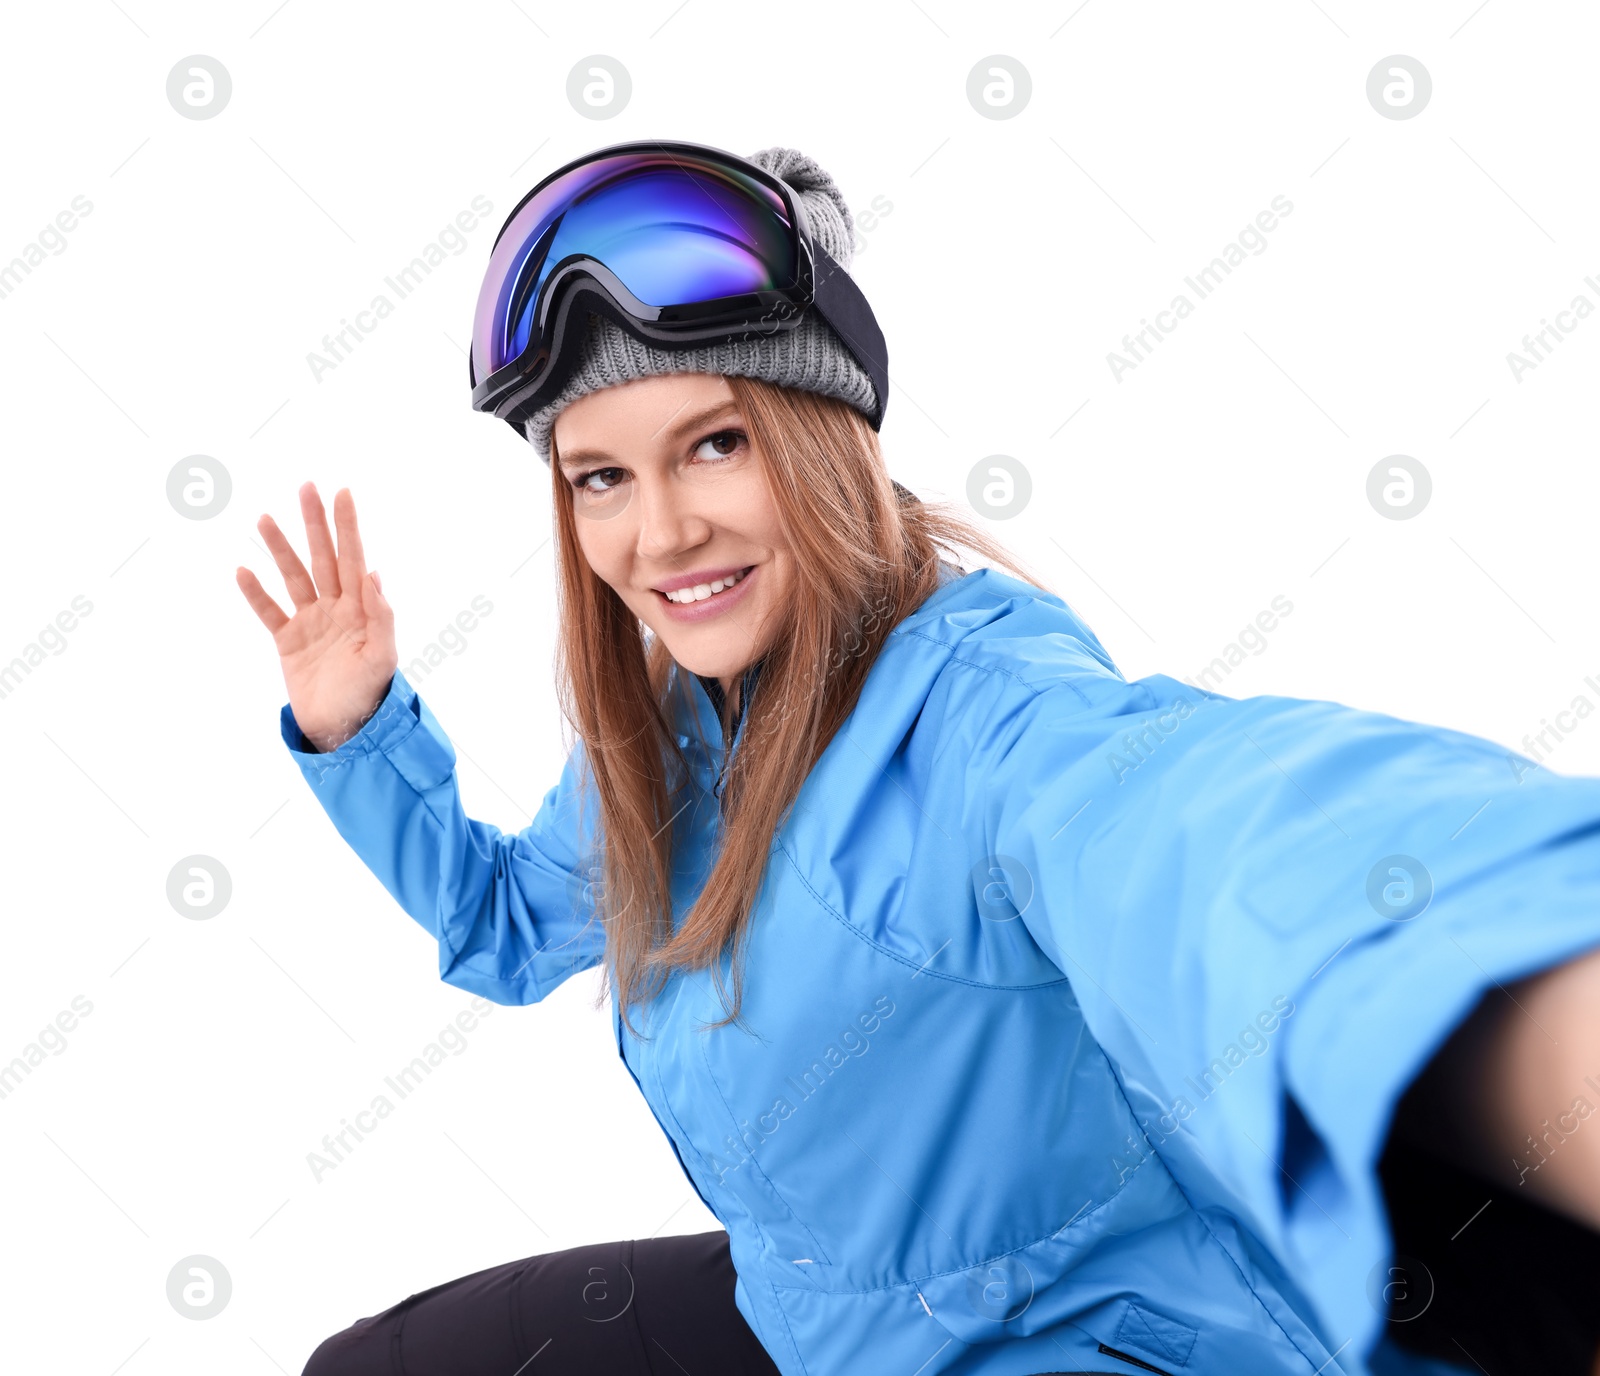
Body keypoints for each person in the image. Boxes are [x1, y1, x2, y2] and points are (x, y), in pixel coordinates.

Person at [236, 141, 1600, 1376]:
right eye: (601, 476)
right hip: (817, 1317)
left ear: (822, 439)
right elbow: (504, 923)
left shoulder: (984, 712)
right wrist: (360, 732)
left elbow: (1215, 838)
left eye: (714, 445)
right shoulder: (669, 730)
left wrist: (1529, 979)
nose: (658, 535)